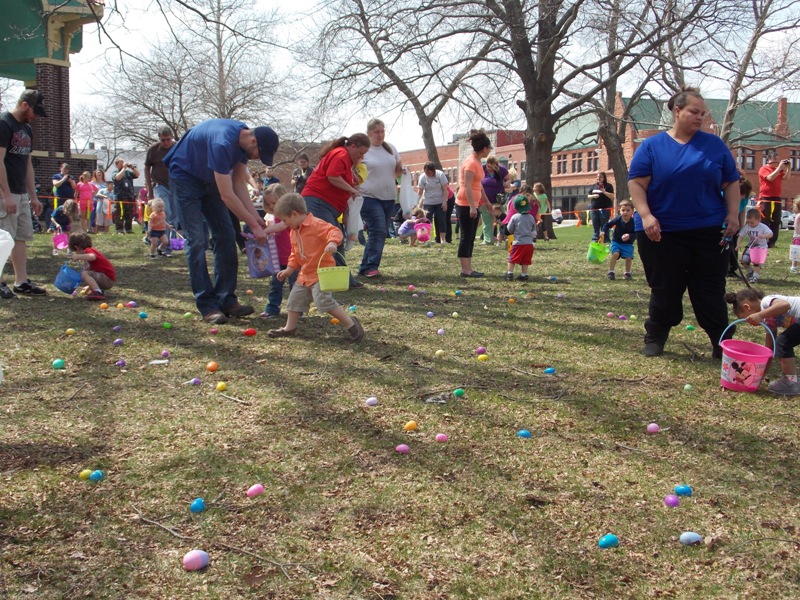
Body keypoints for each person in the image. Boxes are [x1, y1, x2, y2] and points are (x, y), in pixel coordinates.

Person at [629, 86, 740, 358]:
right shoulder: (652, 146)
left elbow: (731, 182)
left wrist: (733, 214)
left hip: (709, 230)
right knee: (665, 288)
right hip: (662, 231)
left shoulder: (714, 146)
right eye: (694, 111)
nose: (700, 117)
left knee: (710, 290)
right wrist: (646, 215)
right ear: (677, 111)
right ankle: (655, 337)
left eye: (703, 113)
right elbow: (637, 184)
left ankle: (722, 343)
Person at [163, 118, 279, 324]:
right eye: (259, 154)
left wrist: (255, 217)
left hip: (210, 180)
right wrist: (253, 225)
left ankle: (226, 300)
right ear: (253, 141)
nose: (257, 159)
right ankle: (207, 305)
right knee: (197, 240)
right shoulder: (222, 143)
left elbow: (239, 185)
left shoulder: (243, 147)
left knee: (226, 236)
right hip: (184, 176)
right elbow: (227, 195)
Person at [266, 193, 365, 342]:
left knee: (323, 301)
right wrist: (289, 269)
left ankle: (351, 324)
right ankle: (289, 328)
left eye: (285, 220)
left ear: (294, 214)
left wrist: (332, 242)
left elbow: (334, 231)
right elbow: (294, 253)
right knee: (294, 301)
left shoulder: (316, 224)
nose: (285, 224)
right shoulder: (294, 232)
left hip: (321, 274)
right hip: (305, 275)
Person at [301, 133, 370, 289]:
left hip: (328, 206)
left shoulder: (347, 160)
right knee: (332, 237)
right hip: (317, 201)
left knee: (336, 237)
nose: (361, 157)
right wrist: (351, 189)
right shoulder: (341, 154)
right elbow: (332, 176)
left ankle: (341, 279)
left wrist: (346, 215)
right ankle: (324, 278)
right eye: (360, 153)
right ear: (353, 146)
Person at [0, 89, 47, 298]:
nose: (36, 116)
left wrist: (33, 197)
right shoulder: (4, 123)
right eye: (35, 111)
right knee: (3, 238)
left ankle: (21, 282)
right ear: (25, 104)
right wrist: (6, 195)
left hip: (20, 193)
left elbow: (27, 164)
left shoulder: (27, 129)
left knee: (20, 238)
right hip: (5, 192)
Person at [725, 288, 800, 395]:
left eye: (748, 318)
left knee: (783, 342)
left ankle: (791, 382)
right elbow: (769, 350)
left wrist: (760, 315)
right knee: (781, 342)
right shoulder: (768, 321)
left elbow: (785, 305)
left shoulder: (766, 302)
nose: (750, 323)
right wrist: (760, 376)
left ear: (747, 307)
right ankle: (791, 382)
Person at [358, 118, 403, 279]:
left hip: (389, 197)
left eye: (382, 131)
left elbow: (396, 170)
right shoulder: (364, 150)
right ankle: (371, 267)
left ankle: (364, 266)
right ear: (368, 133)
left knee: (379, 232)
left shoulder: (390, 148)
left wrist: (401, 169)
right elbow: (353, 170)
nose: (380, 135)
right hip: (368, 196)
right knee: (378, 229)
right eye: (376, 132)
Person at [259, 183, 298, 319]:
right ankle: (272, 308)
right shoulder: (273, 217)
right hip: (278, 258)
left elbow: (282, 226)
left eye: (274, 203)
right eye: (268, 204)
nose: (271, 206)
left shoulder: (289, 215)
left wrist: (266, 231)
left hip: (293, 257)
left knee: (295, 285)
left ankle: (296, 310)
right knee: (275, 285)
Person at [456, 129, 492, 278]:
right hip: (465, 203)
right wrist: (472, 206)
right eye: (489, 148)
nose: (490, 151)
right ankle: (465, 269)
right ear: (484, 148)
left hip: (474, 203)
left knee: (471, 236)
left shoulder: (477, 162)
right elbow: (467, 186)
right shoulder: (470, 163)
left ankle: (468, 268)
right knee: (466, 236)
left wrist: (486, 202)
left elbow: (479, 185)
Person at [145, 126, 178, 230]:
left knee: (176, 214)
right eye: (163, 140)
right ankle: (163, 237)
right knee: (164, 211)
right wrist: (150, 190)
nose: (166, 142)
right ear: (159, 138)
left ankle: (172, 237)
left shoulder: (178, 147)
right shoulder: (153, 150)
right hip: (160, 185)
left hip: (176, 184)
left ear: (172, 137)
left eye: (168, 139)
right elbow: (147, 168)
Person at [67, 232, 116, 301]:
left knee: (84, 273)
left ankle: (98, 292)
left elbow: (92, 257)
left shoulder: (89, 250)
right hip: (106, 279)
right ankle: (97, 290)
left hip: (107, 279)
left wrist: (78, 256)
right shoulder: (87, 254)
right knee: (86, 272)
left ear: (77, 248)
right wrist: (89, 287)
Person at [758, 150, 791, 248]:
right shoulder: (763, 169)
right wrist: (779, 168)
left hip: (776, 198)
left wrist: (788, 168)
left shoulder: (778, 170)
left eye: (778, 159)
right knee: (765, 220)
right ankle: (762, 241)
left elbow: (786, 178)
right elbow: (770, 178)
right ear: (769, 159)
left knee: (776, 221)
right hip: (765, 198)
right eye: (775, 159)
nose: (777, 161)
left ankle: (772, 242)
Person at [599, 199, 636, 280]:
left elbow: (636, 233)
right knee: (615, 254)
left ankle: (627, 273)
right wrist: (603, 231)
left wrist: (629, 236)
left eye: (628, 210)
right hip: (616, 242)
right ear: (619, 211)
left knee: (629, 258)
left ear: (632, 211)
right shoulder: (618, 219)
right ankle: (611, 272)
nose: (625, 212)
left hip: (628, 244)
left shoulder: (634, 222)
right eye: (623, 210)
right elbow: (607, 225)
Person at [505, 194, 536, 281]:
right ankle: (524, 275)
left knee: (512, 258)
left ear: (516, 207)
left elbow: (509, 229)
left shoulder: (515, 217)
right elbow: (533, 229)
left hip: (518, 243)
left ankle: (509, 273)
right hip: (529, 244)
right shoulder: (531, 217)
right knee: (526, 260)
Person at [736, 208, 772, 284]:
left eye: (752, 223)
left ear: (759, 220)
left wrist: (764, 236)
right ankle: (750, 272)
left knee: (757, 262)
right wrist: (738, 245)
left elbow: (771, 234)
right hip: (750, 246)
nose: (750, 224)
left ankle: (755, 277)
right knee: (744, 260)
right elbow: (741, 236)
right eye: (748, 222)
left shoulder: (762, 227)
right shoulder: (747, 227)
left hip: (761, 247)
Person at [479, 156, 510, 244]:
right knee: (487, 220)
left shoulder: (501, 169)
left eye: (492, 166)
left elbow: (509, 178)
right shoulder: (482, 168)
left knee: (501, 219)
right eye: (488, 166)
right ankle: (488, 240)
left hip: (498, 199)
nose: (490, 168)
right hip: (485, 199)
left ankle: (503, 238)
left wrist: (507, 183)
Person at [416, 162, 449, 244]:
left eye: (429, 172)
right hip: (428, 201)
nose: (428, 174)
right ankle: (424, 238)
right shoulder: (422, 177)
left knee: (441, 219)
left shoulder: (440, 175)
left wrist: (444, 202)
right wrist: (416, 203)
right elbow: (420, 192)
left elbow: (445, 190)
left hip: (440, 201)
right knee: (426, 220)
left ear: (433, 171)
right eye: (426, 172)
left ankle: (442, 239)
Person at [112, 158, 139, 233]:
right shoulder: (115, 172)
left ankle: (128, 229)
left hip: (129, 196)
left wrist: (132, 167)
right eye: (120, 163)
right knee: (120, 214)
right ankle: (119, 229)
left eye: (123, 163)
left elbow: (137, 174)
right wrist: (123, 168)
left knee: (129, 214)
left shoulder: (128, 173)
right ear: (117, 165)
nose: (122, 164)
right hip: (120, 196)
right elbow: (117, 178)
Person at [588, 171, 614, 242]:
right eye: (597, 177)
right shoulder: (593, 186)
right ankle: (595, 240)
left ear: (604, 178)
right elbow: (588, 195)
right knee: (595, 226)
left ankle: (605, 240)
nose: (598, 178)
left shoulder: (608, 186)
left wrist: (604, 191)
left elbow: (612, 196)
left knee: (604, 226)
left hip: (604, 209)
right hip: (594, 209)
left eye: (600, 177)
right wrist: (593, 196)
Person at [50, 162, 76, 232]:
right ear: (61, 168)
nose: (66, 170)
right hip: (60, 198)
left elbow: (74, 187)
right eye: (64, 169)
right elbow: (56, 184)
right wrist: (64, 179)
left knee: (68, 213)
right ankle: (53, 227)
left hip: (69, 198)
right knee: (58, 213)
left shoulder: (71, 177)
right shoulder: (56, 176)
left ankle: (66, 226)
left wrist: (70, 181)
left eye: (67, 169)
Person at [791, 199, 800, 274]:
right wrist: (799, 232)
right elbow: (796, 225)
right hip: (798, 237)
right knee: (796, 252)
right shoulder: (799, 215)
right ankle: (794, 266)